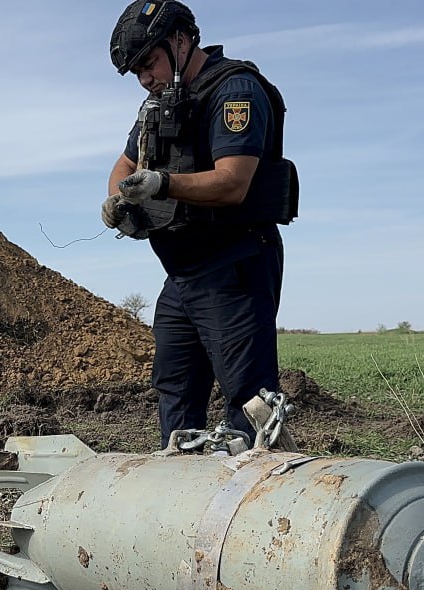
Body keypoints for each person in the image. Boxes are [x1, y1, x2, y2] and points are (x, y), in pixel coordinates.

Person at [102, 0, 297, 448]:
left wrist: (161, 184)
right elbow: (125, 164)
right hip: (182, 275)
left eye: (148, 63)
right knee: (173, 388)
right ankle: (181, 496)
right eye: (136, 72)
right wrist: (118, 198)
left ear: (180, 40)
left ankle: (257, 499)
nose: (145, 78)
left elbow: (233, 183)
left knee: (250, 400)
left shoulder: (235, 91)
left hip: (234, 266)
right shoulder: (157, 105)